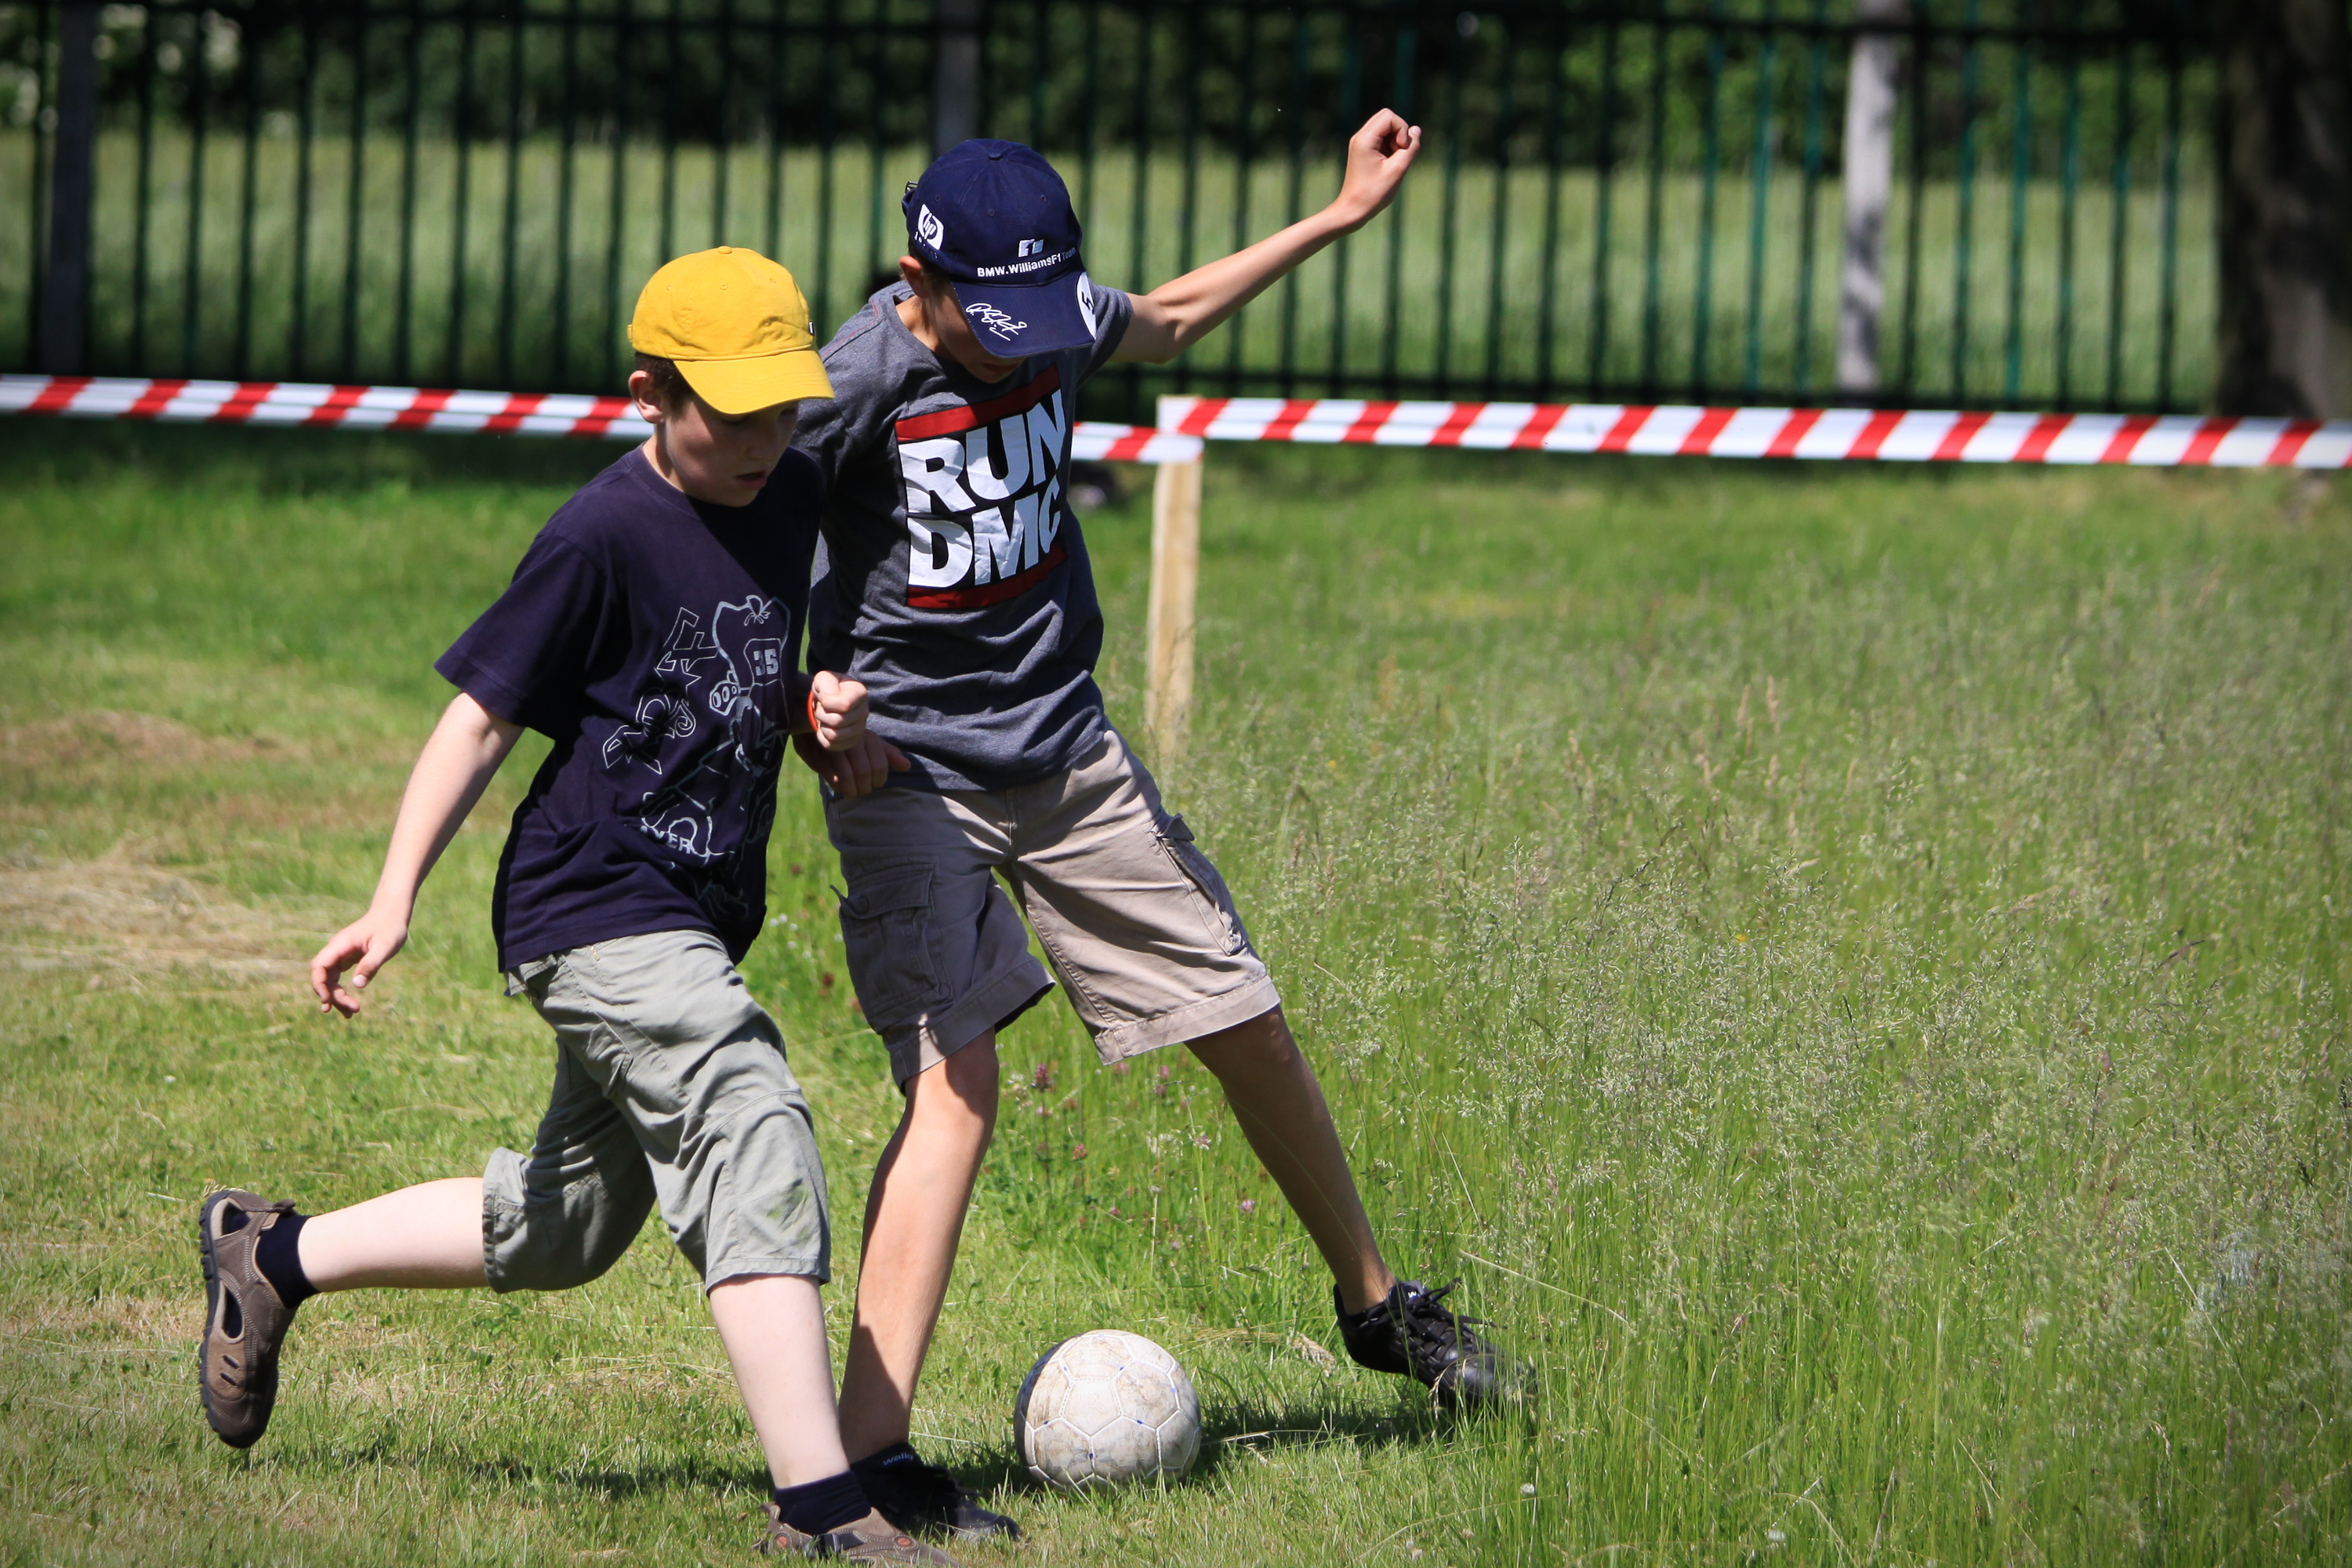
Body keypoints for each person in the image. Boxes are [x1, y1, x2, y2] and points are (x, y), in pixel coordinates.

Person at [789, 112, 1508, 1544]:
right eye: (986, 323)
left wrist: (1336, 215)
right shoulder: (854, 378)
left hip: (1067, 750)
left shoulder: (1047, 322)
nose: (1018, 348)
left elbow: (1170, 318)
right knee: (959, 1081)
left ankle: (1377, 1310)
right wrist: (804, 687)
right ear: (919, 284)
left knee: (1240, 1009)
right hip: (910, 774)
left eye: (1034, 319)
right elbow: (726, 515)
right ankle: (867, 1465)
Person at [198, 248, 949, 1566]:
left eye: (785, 409)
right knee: (747, 1102)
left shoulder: (787, 490)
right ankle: (824, 1508)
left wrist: (815, 707)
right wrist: (391, 899)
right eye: (736, 413)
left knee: (566, 1225)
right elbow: (480, 717)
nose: (768, 439)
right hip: (591, 903)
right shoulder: (601, 532)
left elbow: (749, 661)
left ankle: (273, 1256)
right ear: (651, 392)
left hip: (696, 909)